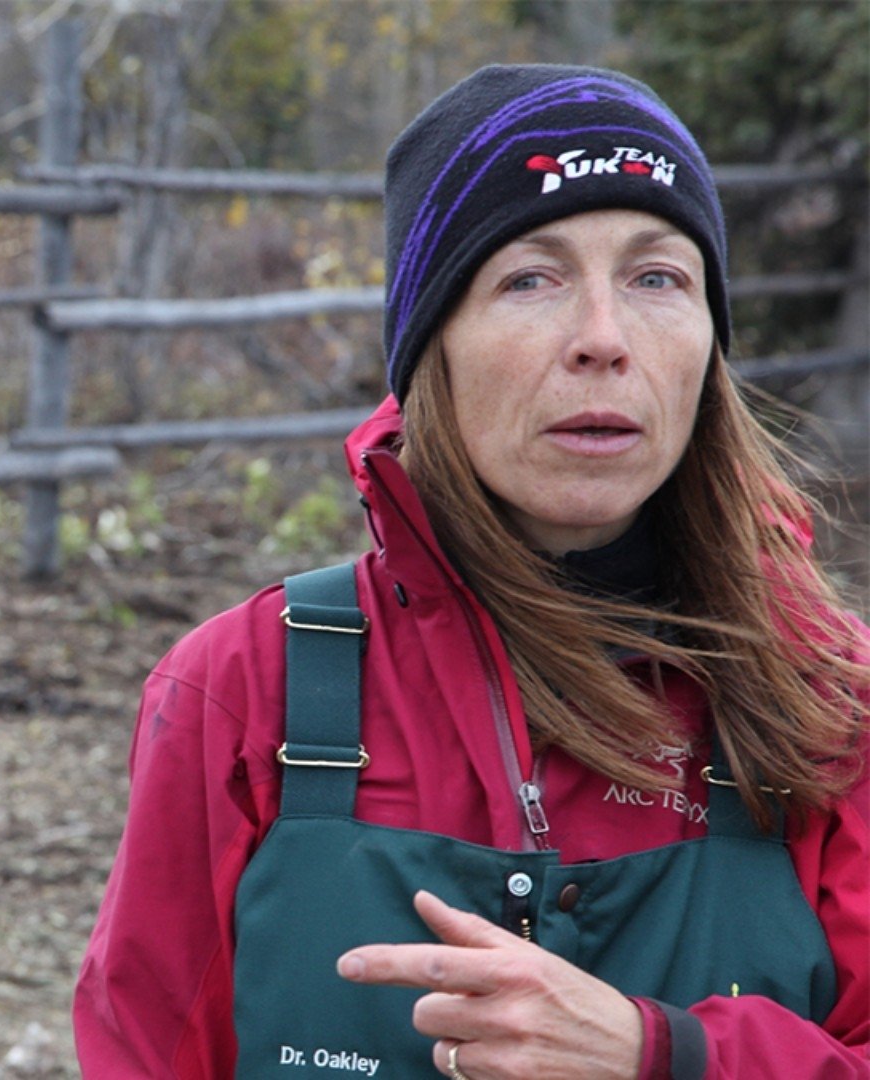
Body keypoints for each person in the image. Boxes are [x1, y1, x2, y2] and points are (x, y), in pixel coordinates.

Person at [72, 64, 868, 1079]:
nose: (603, 340)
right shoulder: (244, 691)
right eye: (529, 278)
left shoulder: (830, 698)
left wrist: (667, 1056)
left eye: (657, 277)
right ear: (430, 345)